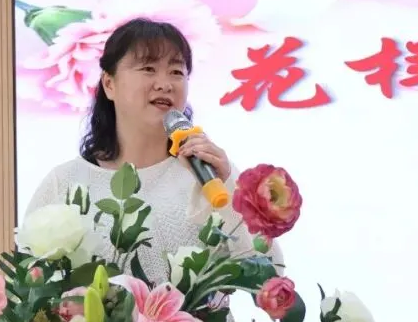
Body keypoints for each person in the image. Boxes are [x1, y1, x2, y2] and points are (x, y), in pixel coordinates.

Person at [23, 18, 284, 283]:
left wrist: (230, 187)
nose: (164, 84)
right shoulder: (65, 182)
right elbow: (27, 283)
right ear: (109, 84)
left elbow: (270, 275)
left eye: (176, 72)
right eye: (148, 68)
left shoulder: (209, 176)